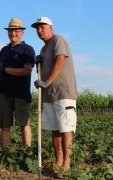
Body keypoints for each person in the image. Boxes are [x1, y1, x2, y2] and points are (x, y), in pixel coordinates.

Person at [31, 17, 77, 179]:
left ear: (50, 27)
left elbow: (60, 61)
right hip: (48, 95)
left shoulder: (58, 40)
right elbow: (48, 64)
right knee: (55, 130)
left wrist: (46, 81)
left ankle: (66, 163)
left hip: (63, 92)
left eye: (42, 27)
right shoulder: (44, 49)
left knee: (66, 129)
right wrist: (40, 63)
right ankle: (58, 161)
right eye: (37, 28)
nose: (39, 30)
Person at [0, 18, 35, 149]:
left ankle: (26, 151)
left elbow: (26, 71)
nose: (13, 33)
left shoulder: (27, 49)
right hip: (4, 92)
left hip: (20, 93)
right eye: (11, 30)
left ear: (22, 32)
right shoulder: (4, 50)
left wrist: (5, 69)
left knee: (24, 123)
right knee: (5, 125)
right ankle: (5, 153)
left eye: (16, 31)